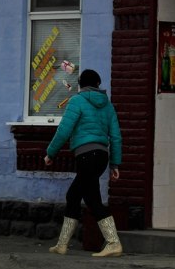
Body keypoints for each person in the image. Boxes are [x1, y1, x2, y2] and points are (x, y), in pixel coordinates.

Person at [44, 68, 124, 257]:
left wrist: (50, 153)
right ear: (98, 85)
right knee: (77, 196)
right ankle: (62, 245)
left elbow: (64, 130)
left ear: (80, 85)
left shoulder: (77, 101)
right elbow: (116, 136)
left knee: (85, 197)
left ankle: (113, 242)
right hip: (101, 157)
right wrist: (115, 164)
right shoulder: (108, 105)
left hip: (86, 156)